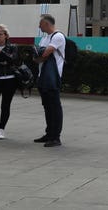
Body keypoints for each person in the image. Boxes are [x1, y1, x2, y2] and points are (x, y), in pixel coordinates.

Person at [33, 14, 65, 148]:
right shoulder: (45, 37)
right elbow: (37, 57)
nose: (39, 26)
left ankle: (55, 137)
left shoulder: (58, 36)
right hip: (43, 77)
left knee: (54, 107)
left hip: (53, 78)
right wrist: (40, 55)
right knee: (47, 107)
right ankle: (49, 133)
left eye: (40, 24)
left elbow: (44, 53)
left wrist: (40, 54)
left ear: (47, 24)